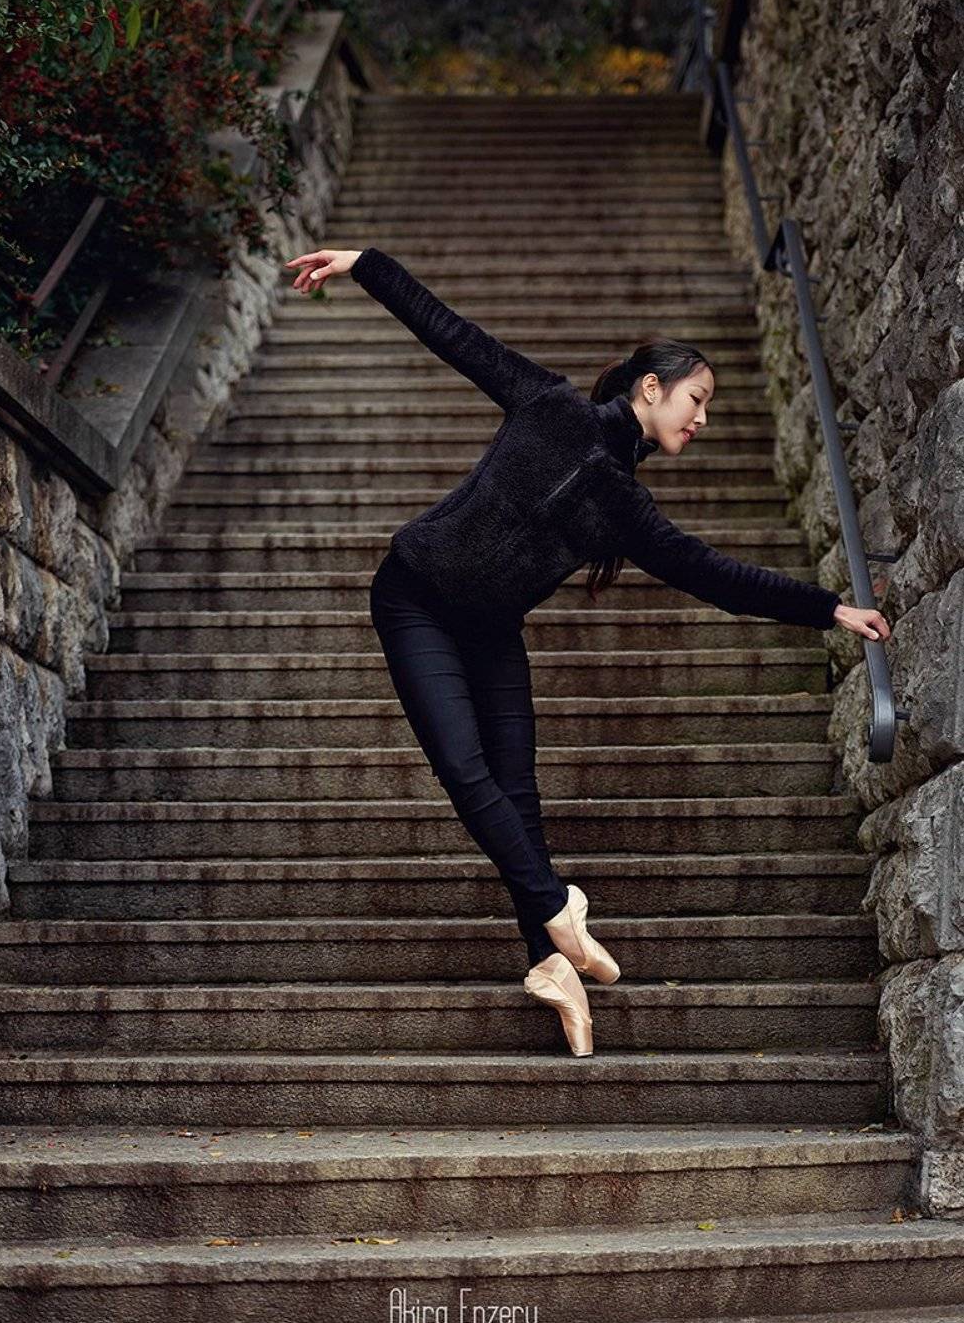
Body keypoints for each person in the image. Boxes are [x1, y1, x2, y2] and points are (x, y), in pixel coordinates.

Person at [286, 245, 891, 1059]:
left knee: (518, 792)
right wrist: (366, 263)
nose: (703, 420)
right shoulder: (549, 405)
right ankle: (556, 911)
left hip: (489, 626)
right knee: (464, 767)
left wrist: (828, 608)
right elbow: (453, 334)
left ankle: (548, 963)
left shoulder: (627, 510)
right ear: (651, 388)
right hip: (414, 597)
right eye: (697, 399)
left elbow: (714, 576)